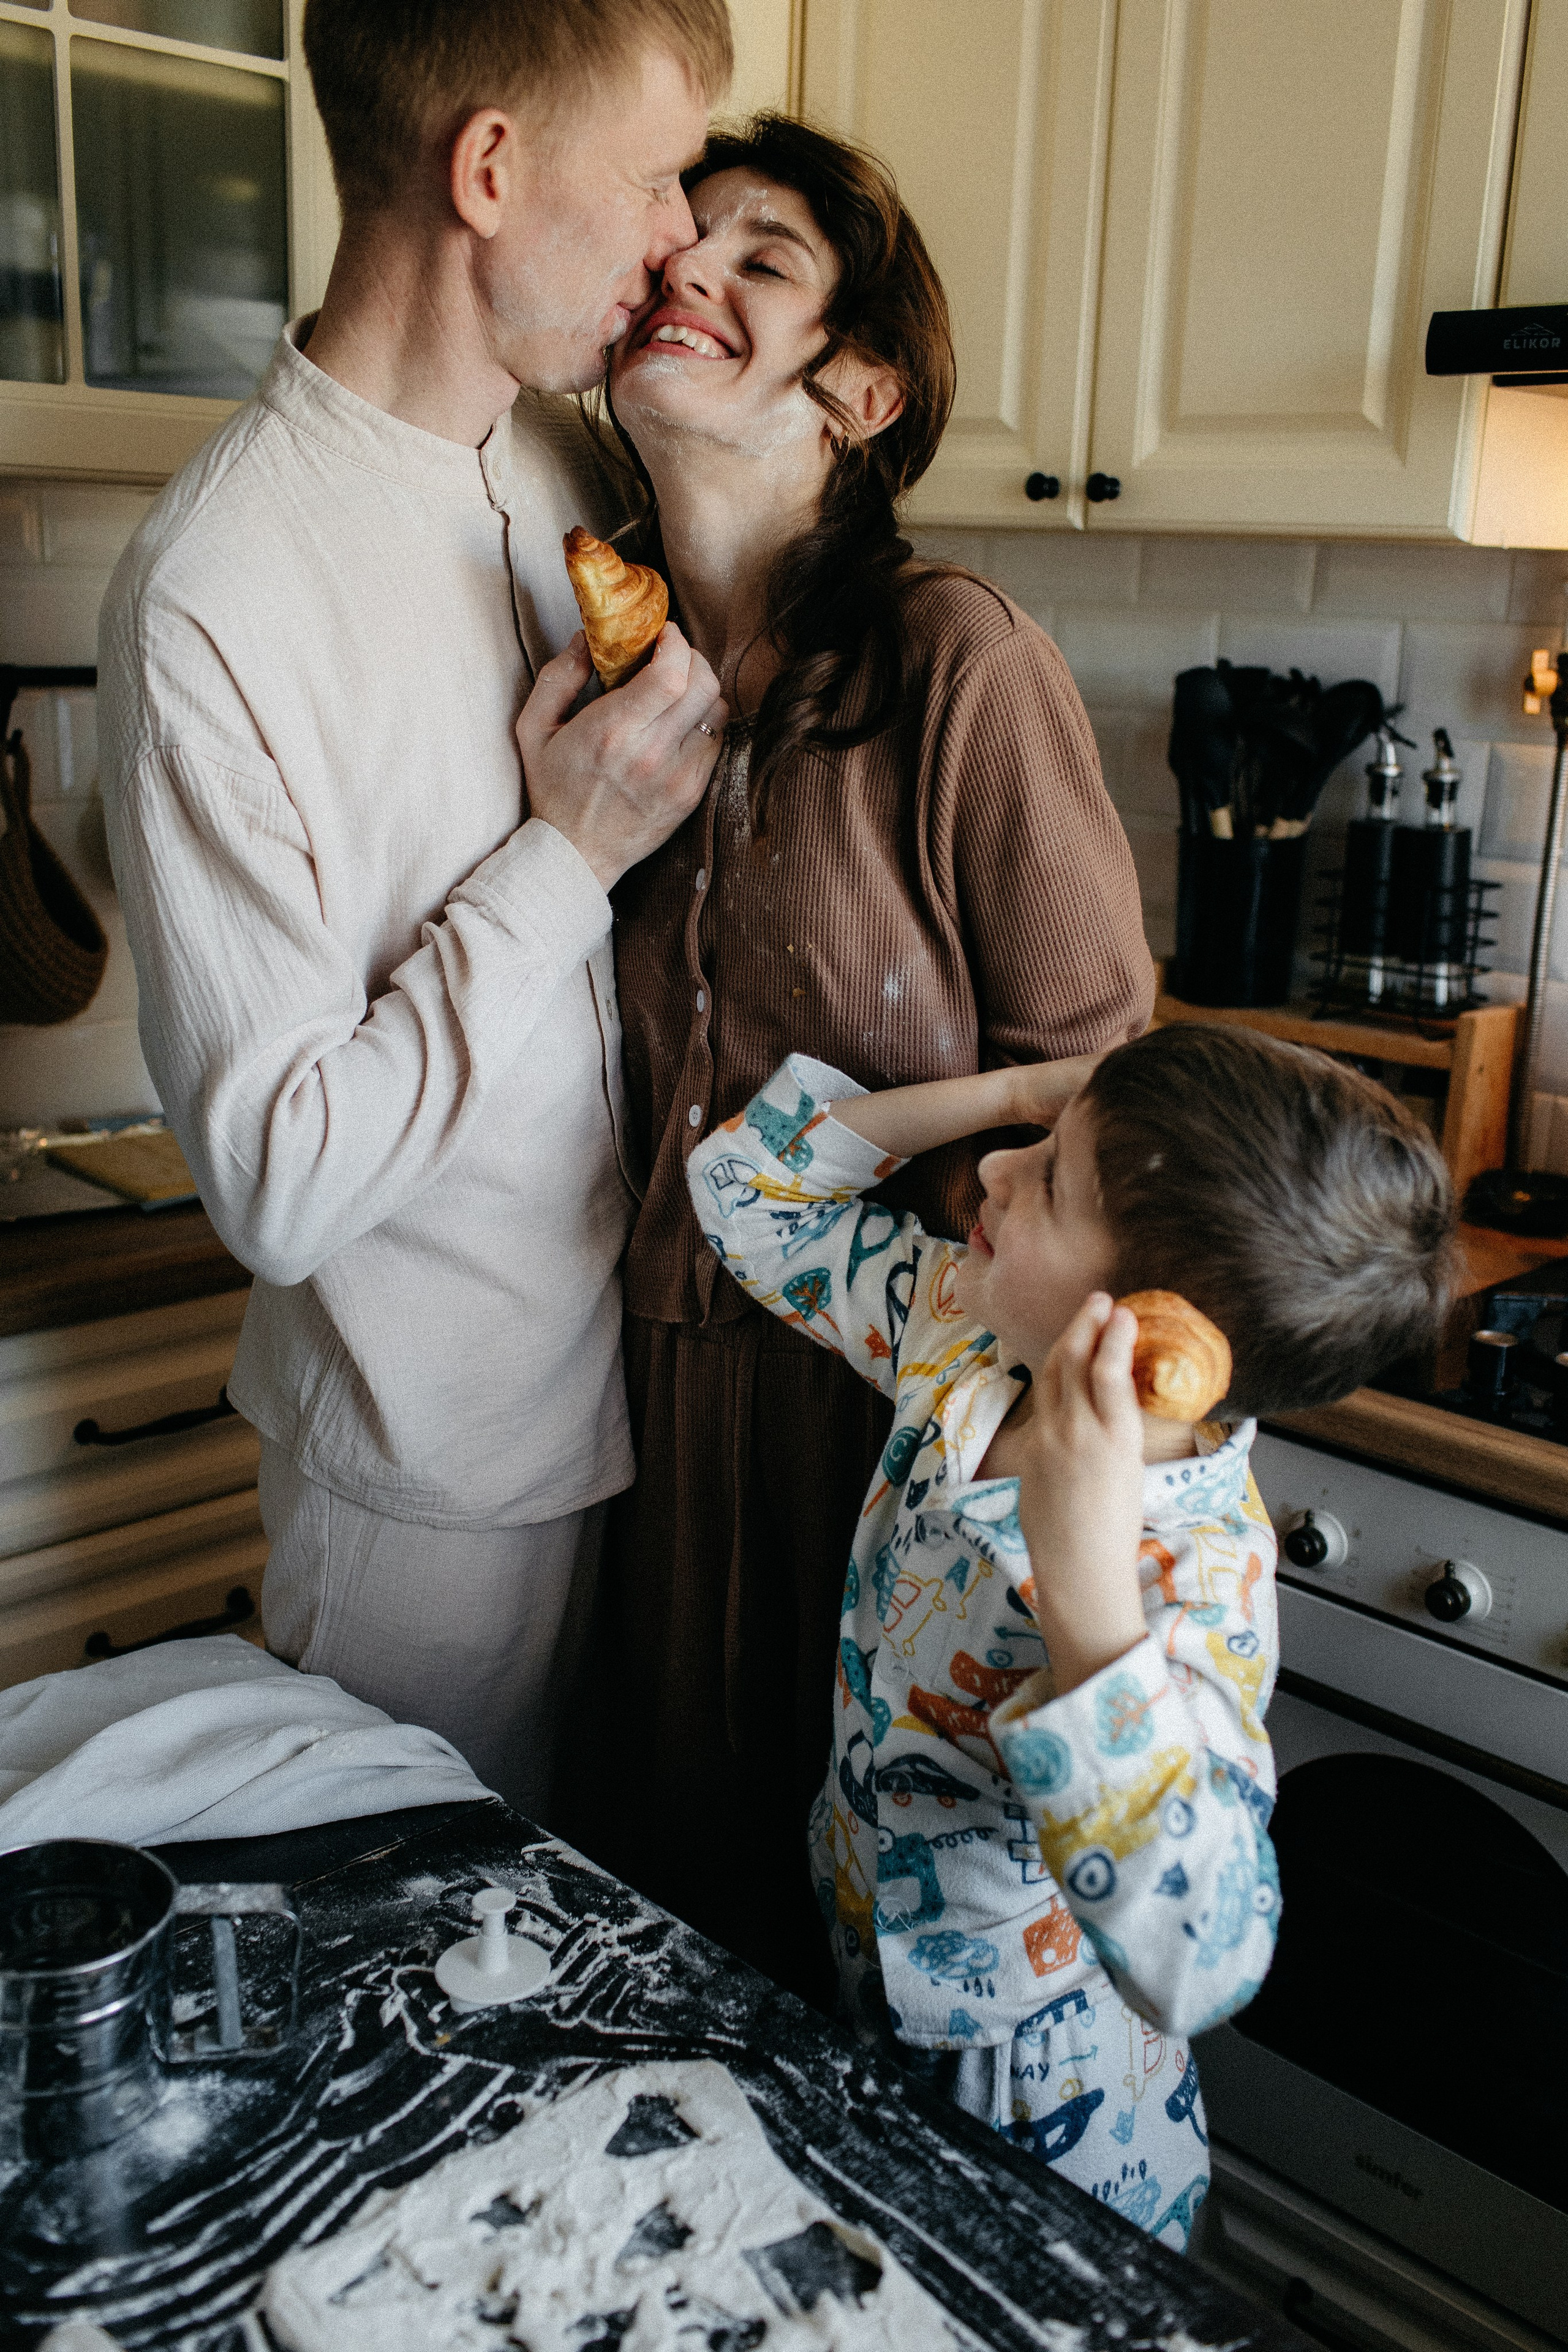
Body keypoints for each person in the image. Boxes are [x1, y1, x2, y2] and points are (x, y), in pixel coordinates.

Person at [96, 0, 735, 1818]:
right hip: (436, 1506)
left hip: (657, 1416)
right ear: (489, 170)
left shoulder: (570, 478)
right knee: (441, 2036)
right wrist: (567, 851)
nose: (679, 231)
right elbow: (278, 1182)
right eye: (654, 176)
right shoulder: (214, 593)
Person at [565, 115, 1155, 2000]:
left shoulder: (953, 661)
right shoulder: (605, 674)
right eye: (678, 247)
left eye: (764, 262)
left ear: (861, 389)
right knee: (665, 1917)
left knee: (876, 1964)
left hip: (893, 1424)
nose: (690, 277)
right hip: (633, 1408)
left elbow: (1108, 1079)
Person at [684, 1022, 1456, 2246]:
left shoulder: (1190, 1575)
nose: (992, 1170)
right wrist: (1020, 1092)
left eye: (1048, 1180)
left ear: (1156, 1340)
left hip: (1043, 2113)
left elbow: (1202, 1959)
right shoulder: (971, 1345)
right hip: (853, 1973)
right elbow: (745, 1194)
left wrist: (1085, 1594)